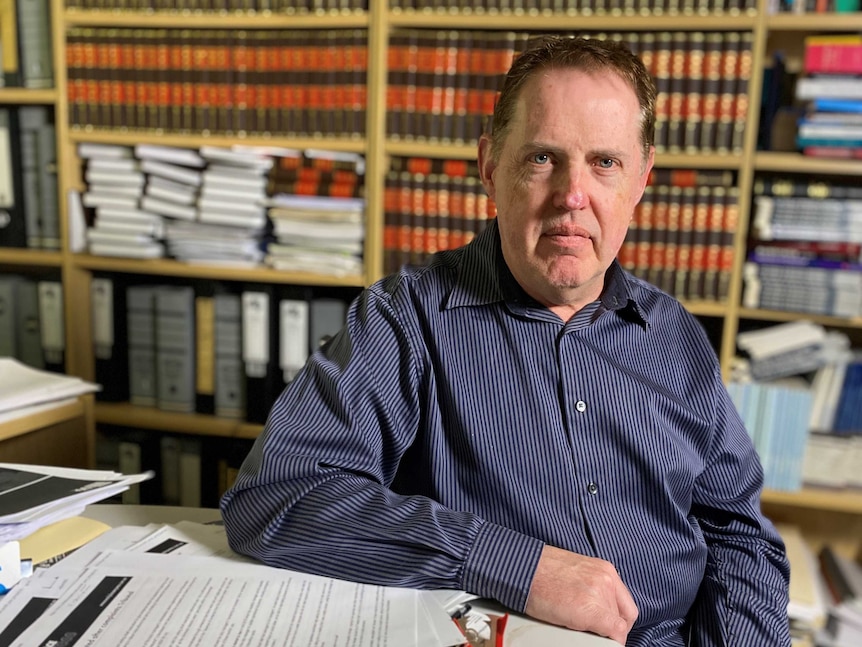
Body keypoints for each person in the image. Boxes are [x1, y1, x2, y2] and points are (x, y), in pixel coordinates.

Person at [221, 36, 791, 646]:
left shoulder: (674, 334)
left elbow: (740, 535)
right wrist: (521, 567)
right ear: (491, 166)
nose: (573, 195)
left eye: (605, 163)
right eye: (543, 158)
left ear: (641, 181)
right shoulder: (405, 319)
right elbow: (277, 496)